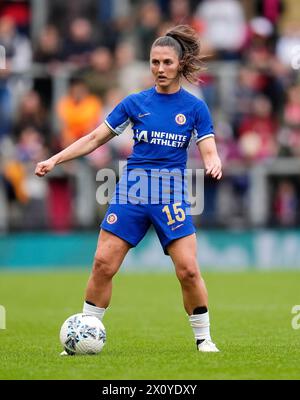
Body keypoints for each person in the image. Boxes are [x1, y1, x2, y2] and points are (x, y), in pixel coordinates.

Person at [35, 25, 223, 353]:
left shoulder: (194, 108)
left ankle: (204, 339)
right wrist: (56, 159)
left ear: (180, 63)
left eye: (166, 62)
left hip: (171, 194)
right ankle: (81, 336)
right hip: (132, 191)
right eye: (154, 62)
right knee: (103, 263)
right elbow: (95, 138)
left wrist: (213, 161)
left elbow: (208, 146)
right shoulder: (135, 103)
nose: (160, 69)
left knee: (189, 271)